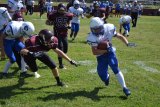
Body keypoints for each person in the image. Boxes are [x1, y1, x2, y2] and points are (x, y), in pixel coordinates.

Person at [86, 17, 131, 96]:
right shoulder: (92, 37)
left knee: (115, 68)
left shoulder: (109, 28)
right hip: (100, 55)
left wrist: (127, 43)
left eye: (98, 29)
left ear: (102, 26)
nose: (96, 31)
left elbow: (119, 36)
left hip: (110, 52)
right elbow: (94, 52)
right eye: (94, 29)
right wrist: (106, 50)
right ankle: (106, 77)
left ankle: (125, 87)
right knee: (101, 74)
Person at [46, 3, 73, 69]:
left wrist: (69, 25)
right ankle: (61, 64)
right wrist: (49, 22)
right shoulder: (53, 15)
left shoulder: (68, 15)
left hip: (64, 33)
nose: (61, 11)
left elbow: (69, 21)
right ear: (58, 9)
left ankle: (62, 56)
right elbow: (48, 21)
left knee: (65, 49)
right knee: (60, 48)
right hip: (57, 34)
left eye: (62, 10)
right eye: (60, 10)